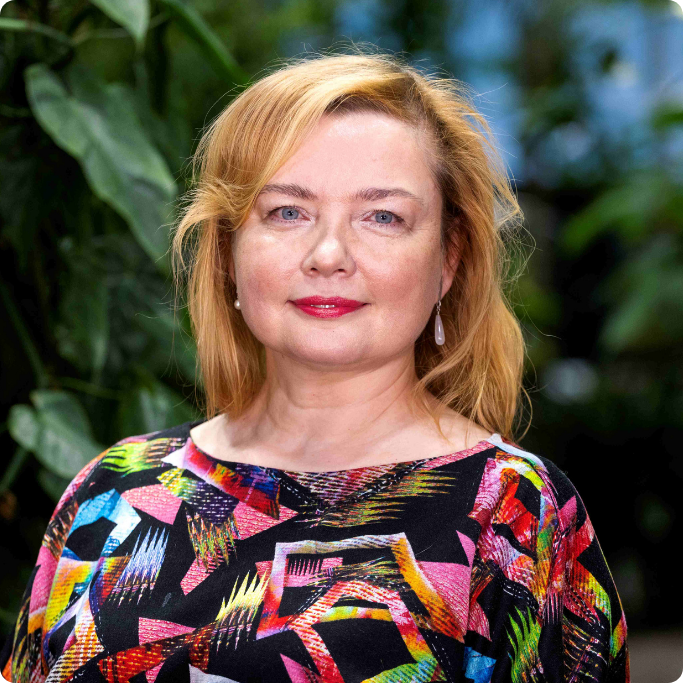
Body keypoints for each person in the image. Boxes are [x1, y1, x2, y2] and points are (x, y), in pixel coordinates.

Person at [3, 51, 629, 683]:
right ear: (228, 251)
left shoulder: (509, 512)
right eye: (287, 212)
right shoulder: (111, 491)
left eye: (383, 217)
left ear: (448, 260)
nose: (328, 254)